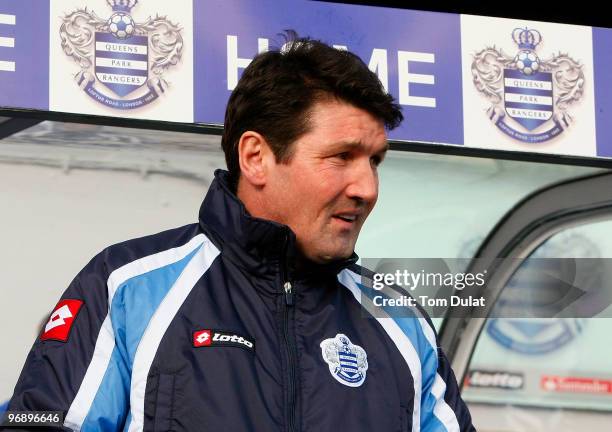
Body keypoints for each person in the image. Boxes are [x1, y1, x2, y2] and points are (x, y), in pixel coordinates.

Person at [6, 35, 476, 432]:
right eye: (341, 157)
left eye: (375, 161)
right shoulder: (128, 287)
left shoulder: (401, 321)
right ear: (255, 158)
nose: (367, 188)